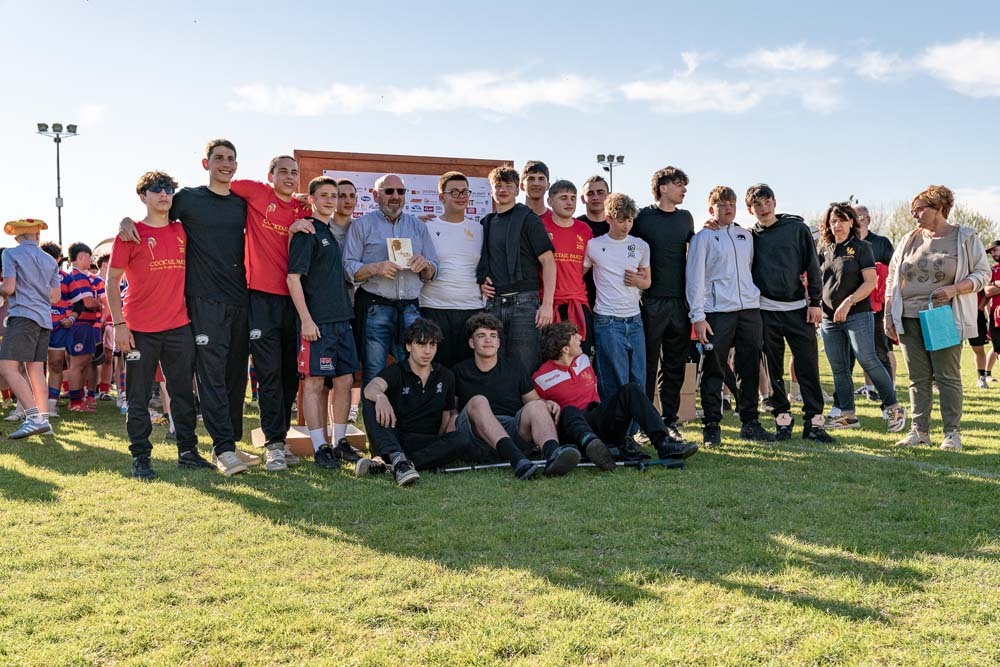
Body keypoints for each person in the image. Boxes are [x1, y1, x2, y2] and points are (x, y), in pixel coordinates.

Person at [118, 139, 260, 475]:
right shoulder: (188, 199)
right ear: (205, 163)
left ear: (236, 165)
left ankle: (226, 445)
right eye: (218, 158)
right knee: (210, 376)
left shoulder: (241, 202)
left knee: (234, 377)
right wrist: (125, 220)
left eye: (230, 159)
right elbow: (153, 215)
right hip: (201, 302)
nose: (225, 163)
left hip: (239, 298)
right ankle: (220, 448)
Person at [107, 171, 218, 479]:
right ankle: (141, 457)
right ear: (143, 196)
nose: (164, 194)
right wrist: (119, 324)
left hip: (179, 326)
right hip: (139, 329)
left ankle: (188, 452)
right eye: (156, 189)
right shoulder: (130, 234)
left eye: (169, 188)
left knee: (183, 394)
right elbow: (112, 281)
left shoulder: (182, 230)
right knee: (138, 396)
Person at [885, 185, 991, 451]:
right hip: (908, 316)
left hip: (943, 316)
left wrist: (955, 289)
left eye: (920, 209)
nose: (914, 214)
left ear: (939, 208)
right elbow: (892, 278)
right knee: (917, 377)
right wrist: (888, 314)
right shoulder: (908, 239)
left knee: (946, 376)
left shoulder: (965, 237)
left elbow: (983, 274)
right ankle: (919, 431)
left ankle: (952, 434)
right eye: (913, 210)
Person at [687, 186, 785, 445]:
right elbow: (694, 279)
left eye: (731, 203)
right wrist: (698, 316)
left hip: (749, 312)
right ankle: (711, 425)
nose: (728, 208)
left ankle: (750, 422)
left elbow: (750, 269)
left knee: (750, 367)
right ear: (711, 209)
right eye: (722, 204)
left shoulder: (745, 236)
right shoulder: (703, 238)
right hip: (717, 313)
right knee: (714, 369)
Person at [532, 322, 699, 463]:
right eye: (574, 336)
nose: (580, 337)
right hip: (571, 430)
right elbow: (537, 412)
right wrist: (546, 404)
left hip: (596, 418)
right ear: (565, 349)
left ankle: (664, 443)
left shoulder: (583, 360)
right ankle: (593, 447)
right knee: (569, 410)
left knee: (631, 389)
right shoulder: (541, 378)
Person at [286, 176, 364, 470]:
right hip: (317, 323)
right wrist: (306, 320)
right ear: (312, 199)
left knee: (345, 380)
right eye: (325, 195)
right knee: (315, 383)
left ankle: (339, 442)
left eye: (335, 195)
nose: (331, 200)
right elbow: (293, 279)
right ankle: (320, 446)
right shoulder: (306, 231)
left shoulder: (330, 231)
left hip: (342, 320)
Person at [745, 184, 827, 441]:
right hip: (766, 311)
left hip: (799, 310)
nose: (763, 208)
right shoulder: (749, 236)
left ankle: (814, 423)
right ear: (750, 209)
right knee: (773, 369)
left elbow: (813, 267)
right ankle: (782, 419)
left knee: (808, 366)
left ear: (774, 202)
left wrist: (815, 302)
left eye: (767, 201)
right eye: (757, 204)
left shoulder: (797, 229)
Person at [816, 203, 907, 433]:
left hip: (857, 314)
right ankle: (848, 415)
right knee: (839, 367)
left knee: (868, 359)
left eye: (842, 220)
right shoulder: (824, 248)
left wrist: (849, 302)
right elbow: (818, 280)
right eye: (833, 221)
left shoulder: (862, 247)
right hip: (829, 318)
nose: (837, 225)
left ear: (851, 222)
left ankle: (894, 408)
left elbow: (870, 282)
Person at [452, 313, 577, 478]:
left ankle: (553, 454)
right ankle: (516, 459)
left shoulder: (514, 367)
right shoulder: (459, 371)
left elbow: (534, 401)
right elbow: (451, 412)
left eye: (493, 336)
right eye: (481, 336)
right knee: (478, 401)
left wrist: (546, 403)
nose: (488, 340)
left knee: (537, 405)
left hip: (511, 429)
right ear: (471, 343)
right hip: (476, 436)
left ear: (498, 343)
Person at [344, 173, 439, 389]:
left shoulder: (418, 226)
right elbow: (348, 268)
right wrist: (375, 268)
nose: (395, 196)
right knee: (374, 373)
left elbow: (434, 270)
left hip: (411, 309)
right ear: (375, 195)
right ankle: (375, 412)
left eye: (400, 191)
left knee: (414, 372)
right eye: (389, 191)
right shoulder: (361, 225)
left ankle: (408, 412)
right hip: (374, 308)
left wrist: (425, 265)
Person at [360, 319, 470, 486]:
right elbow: (371, 388)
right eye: (421, 344)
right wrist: (381, 397)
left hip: (425, 441)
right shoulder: (397, 371)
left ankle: (396, 465)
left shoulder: (446, 375)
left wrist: (440, 443)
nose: (427, 351)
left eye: (432, 345)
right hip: (395, 437)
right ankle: (397, 457)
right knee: (370, 402)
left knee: (462, 439)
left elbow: (446, 414)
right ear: (409, 346)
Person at [632, 166, 694, 446]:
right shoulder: (642, 217)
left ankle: (670, 421)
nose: (684, 190)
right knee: (646, 364)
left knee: (674, 365)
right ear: (662, 187)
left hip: (679, 302)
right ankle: (645, 424)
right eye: (679, 184)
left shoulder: (685, 218)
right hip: (650, 301)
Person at [477, 165, 556, 374]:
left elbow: (548, 261)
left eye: (508, 185)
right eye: (498, 185)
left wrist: (547, 305)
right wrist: (481, 282)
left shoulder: (528, 219)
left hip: (525, 305)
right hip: (493, 304)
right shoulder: (486, 223)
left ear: (517, 189)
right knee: (495, 369)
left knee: (524, 369)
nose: (502, 190)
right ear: (491, 190)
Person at [584, 192, 649, 403]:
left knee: (638, 379)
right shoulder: (593, 245)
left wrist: (638, 281)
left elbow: (648, 282)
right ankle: (615, 423)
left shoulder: (641, 245)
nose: (626, 225)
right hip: (607, 320)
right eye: (621, 220)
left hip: (635, 320)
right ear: (609, 218)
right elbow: (578, 275)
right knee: (614, 381)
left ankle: (636, 424)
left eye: (629, 220)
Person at [0, 218, 60, 439]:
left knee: (7, 367)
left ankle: (34, 418)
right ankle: (44, 420)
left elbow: (9, 287)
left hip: (22, 316)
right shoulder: (50, 260)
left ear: (17, 237)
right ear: (37, 235)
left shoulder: (10, 254)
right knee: (35, 370)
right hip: (44, 319)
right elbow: (56, 296)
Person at [419, 171, 484, 368]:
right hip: (434, 308)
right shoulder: (425, 226)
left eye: (465, 192)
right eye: (454, 192)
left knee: (468, 372)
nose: (461, 196)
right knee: (437, 372)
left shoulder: (480, 229)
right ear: (441, 197)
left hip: (472, 309)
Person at [543, 180, 594, 356]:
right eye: (563, 198)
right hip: (550, 306)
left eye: (573, 198)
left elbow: (588, 264)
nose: (569, 202)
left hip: (578, 303)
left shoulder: (584, 230)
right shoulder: (540, 226)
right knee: (554, 359)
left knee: (581, 358)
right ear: (550, 201)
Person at [61, 242, 102, 412]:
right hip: (80, 325)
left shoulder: (72, 275)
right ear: (81, 256)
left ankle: (79, 400)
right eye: (89, 257)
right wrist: (99, 305)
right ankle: (76, 402)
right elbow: (88, 302)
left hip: (78, 325)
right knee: (78, 364)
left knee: (80, 364)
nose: (91, 261)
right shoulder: (78, 276)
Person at [577, 175, 610, 307]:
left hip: (612, 302)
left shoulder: (619, 226)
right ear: (582, 199)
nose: (595, 197)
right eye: (590, 193)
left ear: (609, 196)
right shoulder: (574, 226)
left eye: (600, 192)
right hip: (582, 299)